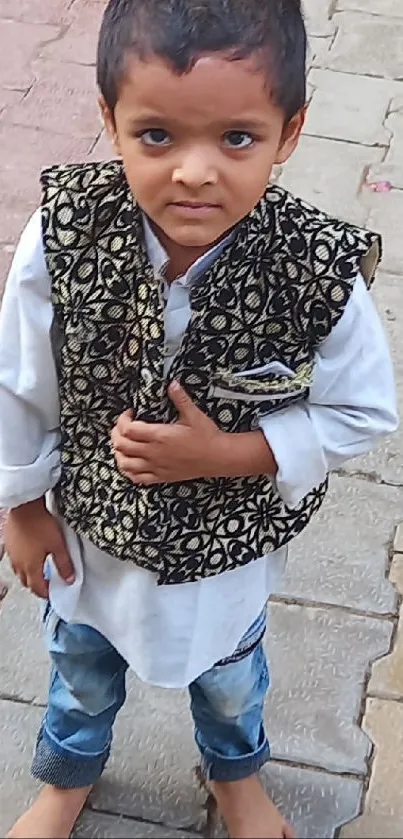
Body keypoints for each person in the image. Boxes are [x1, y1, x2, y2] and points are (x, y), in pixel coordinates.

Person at [0, 0, 398, 836]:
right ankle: (68, 776)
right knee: (79, 665)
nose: (193, 173)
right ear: (109, 119)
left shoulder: (315, 267)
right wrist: (25, 504)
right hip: (91, 537)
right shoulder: (66, 232)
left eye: (236, 139)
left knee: (228, 677)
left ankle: (235, 777)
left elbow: (364, 411)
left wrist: (231, 452)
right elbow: (19, 381)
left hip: (226, 551)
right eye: (156, 136)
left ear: (289, 131)